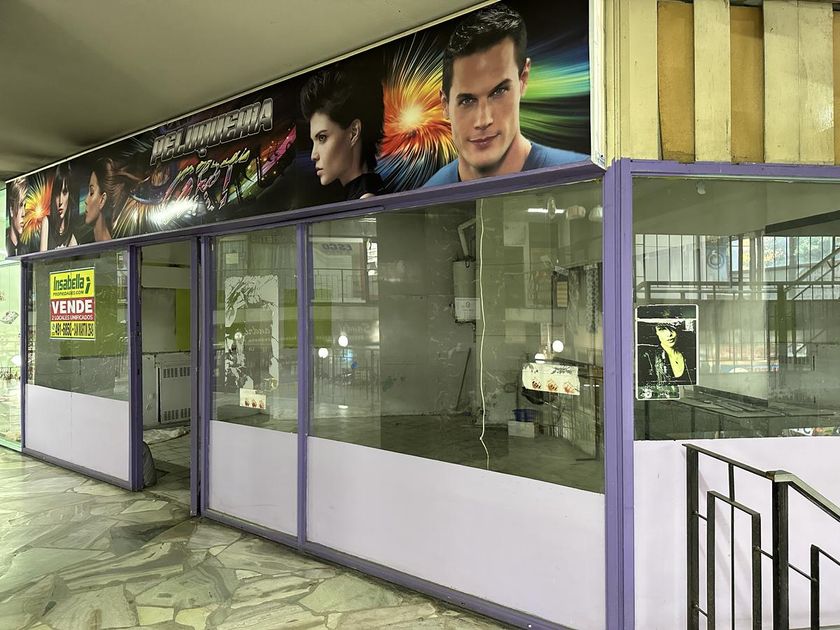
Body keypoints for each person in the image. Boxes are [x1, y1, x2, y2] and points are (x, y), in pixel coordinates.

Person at [424, 3, 587, 187]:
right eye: (467, 100)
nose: (483, 120)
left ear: (523, 79)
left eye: (499, 92)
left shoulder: (582, 179)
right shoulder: (427, 195)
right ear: (445, 104)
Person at [300, 65, 385, 200]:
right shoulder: (361, 194)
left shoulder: (365, 200)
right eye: (313, 141)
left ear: (353, 132)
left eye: (322, 138)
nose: (313, 155)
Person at [637, 320, 697, 397]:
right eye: (662, 329)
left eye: (672, 328)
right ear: (656, 332)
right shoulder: (648, 358)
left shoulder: (690, 355)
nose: (669, 334)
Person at [84, 157, 137, 242]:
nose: (86, 201)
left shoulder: (118, 245)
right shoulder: (83, 243)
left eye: (91, 192)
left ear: (102, 200)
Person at [40, 164, 78, 251]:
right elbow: (41, 258)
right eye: (57, 194)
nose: (61, 201)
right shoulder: (46, 223)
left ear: (69, 195)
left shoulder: (71, 236)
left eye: (64, 193)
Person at [6, 177, 30, 256]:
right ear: (11, 210)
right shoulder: (3, 244)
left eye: (25, 206)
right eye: (20, 205)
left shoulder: (26, 249)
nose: (24, 213)